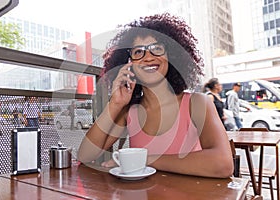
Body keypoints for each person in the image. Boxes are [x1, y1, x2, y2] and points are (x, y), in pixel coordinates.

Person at [78, 13, 233, 178]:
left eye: (157, 49)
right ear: (127, 64)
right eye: (138, 52)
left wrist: (146, 160)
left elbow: (223, 164)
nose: (148, 57)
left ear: (171, 56)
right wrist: (115, 104)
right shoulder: (129, 111)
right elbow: (85, 156)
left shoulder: (196, 103)